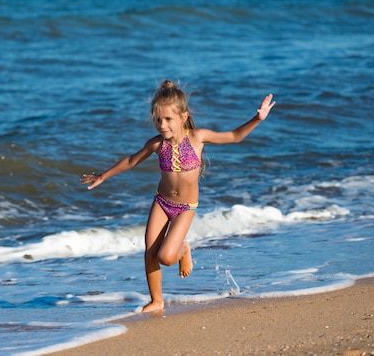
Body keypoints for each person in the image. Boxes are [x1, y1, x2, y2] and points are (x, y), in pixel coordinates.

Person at [80, 80, 276, 313]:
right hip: (161, 203)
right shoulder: (157, 144)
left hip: (185, 207)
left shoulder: (198, 138)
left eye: (168, 119)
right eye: (158, 120)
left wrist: (258, 119)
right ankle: (157, 301)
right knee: (150, 252)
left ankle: (183, 249)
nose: (162, 125)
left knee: (166, 257)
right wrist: (103, 176)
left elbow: (234, 136)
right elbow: (132, 160)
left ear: (183, 117)